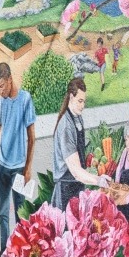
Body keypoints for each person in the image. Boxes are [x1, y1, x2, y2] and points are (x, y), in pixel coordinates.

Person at [0, 62, 36, 257]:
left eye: (2, 86)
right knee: (2, 212)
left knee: (20, 212)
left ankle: (23, 252)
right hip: (3, 167)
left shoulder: (25, 100)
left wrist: (28, 168)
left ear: (10, 79)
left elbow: (32, 138)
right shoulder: (0, 104)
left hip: (19, 168)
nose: (0, 91)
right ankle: (5, 250)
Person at [51, 77, 110, 211]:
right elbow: (76, 171)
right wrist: (98, 180)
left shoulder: (78, 118)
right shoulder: (66, 127)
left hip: (77, 185)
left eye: (84, 101)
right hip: (65, 188)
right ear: (71, 97)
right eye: (80, 101)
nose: (83, 106)